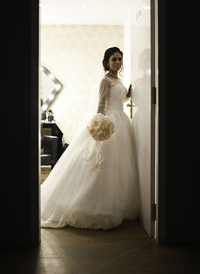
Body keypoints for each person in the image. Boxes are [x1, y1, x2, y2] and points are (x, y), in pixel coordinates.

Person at [41, 47, 140, 230]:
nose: (117, 63)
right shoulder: (104, 81)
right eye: (114, 59)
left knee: (119, 166)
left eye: (119, 59)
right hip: (109, 122)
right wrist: (100, 126)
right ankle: (94, 206)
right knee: (101, 165)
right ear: (107, 62)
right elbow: (101, 106)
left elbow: (119, 99)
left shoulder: (118, 79)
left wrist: (130, 93)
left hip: (122, 122)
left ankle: (117, 203)